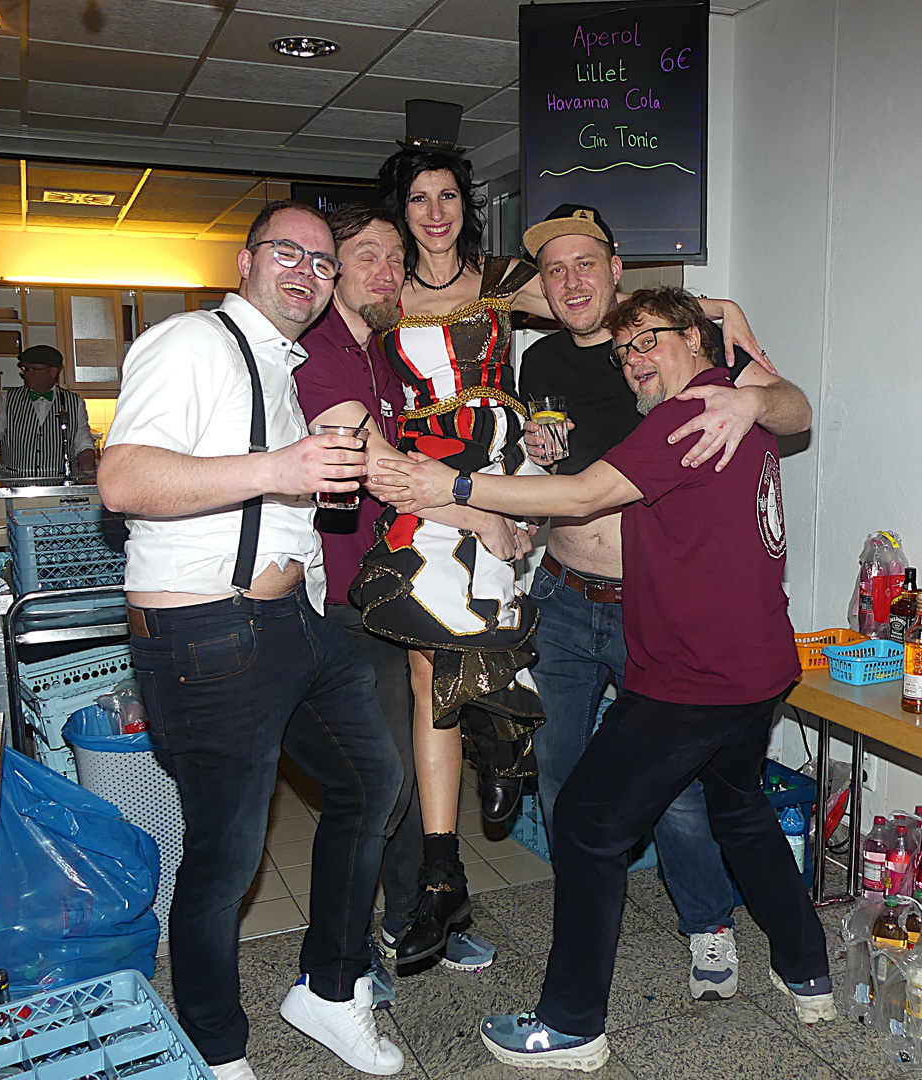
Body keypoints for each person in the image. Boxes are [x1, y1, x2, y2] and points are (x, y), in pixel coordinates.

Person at [370, 286, 836, 1072]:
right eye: (624, 352)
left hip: (694, 676)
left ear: (696, 340)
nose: (634, 360)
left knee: (587, 821)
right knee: (740, 809)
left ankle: (572, 1025)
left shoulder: (690, 417)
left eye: (649, 340)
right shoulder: (736, 407)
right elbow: (782, 400)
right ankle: (806, 969)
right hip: (756, 669)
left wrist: (452, 487)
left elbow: (584, 495)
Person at [97, 199, 407, 1079]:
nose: (307, 271)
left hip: (290, 621)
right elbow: (122, 478)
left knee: (370, 781)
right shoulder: (191, 343)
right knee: (226, 855)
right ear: (245, 260)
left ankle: (330, 990)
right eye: (287, 252)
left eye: (322, 261)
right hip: (205, 631)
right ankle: (214, 1046)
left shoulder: (282, 363)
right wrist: (282, 467)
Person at [516, 204, 814, 1002]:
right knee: (563, 776)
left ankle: (706, 928)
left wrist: (750, 396)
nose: (570, 281)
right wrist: (530, 460)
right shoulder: (542, 359)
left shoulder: (683, 364)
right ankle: (586, 921)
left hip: (653, 609)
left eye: (586, 263)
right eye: (553, 270)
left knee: (677, 794)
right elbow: (557, 472)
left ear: (617, 271)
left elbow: (796, 407)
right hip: (564, 595)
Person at [349, 99, 553, 967]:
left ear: (466, 205)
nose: (434, 212)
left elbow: (597, 308)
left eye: (447, 196)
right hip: (419, 482)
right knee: (429, 657)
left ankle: (503, 740)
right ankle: (442, 866)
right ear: (401, 211)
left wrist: (714, 307)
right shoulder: (382, 294)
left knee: (488, 629)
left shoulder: (505, 277)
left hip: (496, 473)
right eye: (418, 199)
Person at [295, 201, 497, 1003]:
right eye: (367, 256)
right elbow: (379, 466)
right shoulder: (320, 352)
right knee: (377, 780)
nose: (387, 272)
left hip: (397, 589)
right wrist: (483, 515)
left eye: (394, 258)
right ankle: (343, 957)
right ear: (331, 270)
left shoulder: (379, 352)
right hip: (341, 601)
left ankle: (417, 913)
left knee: (417, 758)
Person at [0, 344, 95, 479]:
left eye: (33, 370)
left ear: (53, 372)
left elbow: (83, 442)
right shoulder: (6, 401)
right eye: (25, 369)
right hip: (15, 485)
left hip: (60, 485)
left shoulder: (74, 402)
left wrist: (86, 466)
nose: (26, 374)